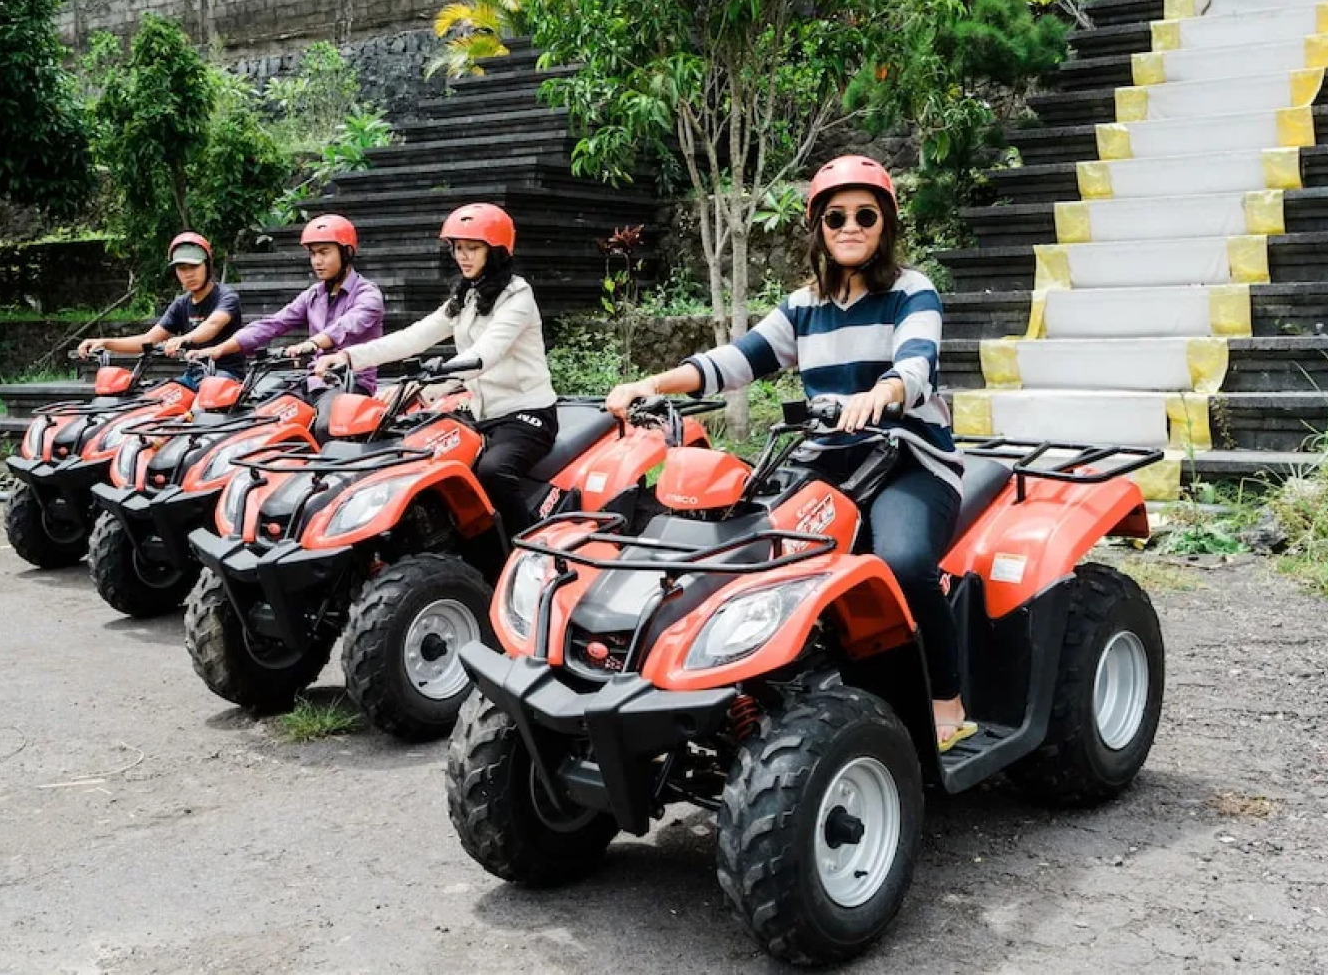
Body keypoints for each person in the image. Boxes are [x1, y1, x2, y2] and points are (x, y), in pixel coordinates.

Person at [604, 155, 973, 751]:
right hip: (828, 460)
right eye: (835, 217)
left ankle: (944, 698)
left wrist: (884, 392)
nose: (850, 227)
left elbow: (917, 362)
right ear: (819, 229)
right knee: (745, 545)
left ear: (885, 225)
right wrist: (654, 384)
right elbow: (737, 360)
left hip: (908, 458)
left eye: (865, 215)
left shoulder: (913, 290)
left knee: (902, 562)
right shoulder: (804, 304)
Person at [313, 203, 557, 538]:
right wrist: (349, 357)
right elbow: (414, 336)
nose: (463, 256)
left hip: (526, 412)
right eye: (458, 248)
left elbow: (484, 355)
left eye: (473, 248)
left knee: (493, 472)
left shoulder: (518, 296)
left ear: (497, 251)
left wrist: (423, 386)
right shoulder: (467, 295)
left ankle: (529, 548)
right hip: (479, 411)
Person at [188, 214, 384, 392]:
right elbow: (274, 323)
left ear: (347, 252)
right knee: (260, 407)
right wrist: (219, 349)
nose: (317, 261)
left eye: (324, 253)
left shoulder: (368, 295)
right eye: (313, 254)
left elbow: (346, 326)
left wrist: (311, 344)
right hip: (313, 380)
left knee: (325, 425)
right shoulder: (313, 295)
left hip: (351, 384)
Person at [77, 232, 244, 381]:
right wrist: (105, 343)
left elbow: (213, 325)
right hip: (194, 376)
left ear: (207, 265)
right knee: (154, 402)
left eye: (194, 266)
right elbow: (147, 340)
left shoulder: (226, 296)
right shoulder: (181, 304)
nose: (189, 274)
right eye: (182, 268)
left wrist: (183, 339)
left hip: (225, 376)